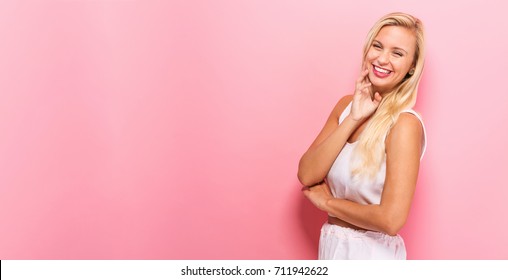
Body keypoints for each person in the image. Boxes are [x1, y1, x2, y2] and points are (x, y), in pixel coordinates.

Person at [298, 12, 426, 260]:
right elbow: (306, 173)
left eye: (397, 53)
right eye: (377, 46)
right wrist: (354, 117)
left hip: (371, 257)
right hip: (332, 247)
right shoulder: (346, 107)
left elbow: (391, 220)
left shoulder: (405, 124)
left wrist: (328, 204)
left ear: (411, 67)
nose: (382, 58)